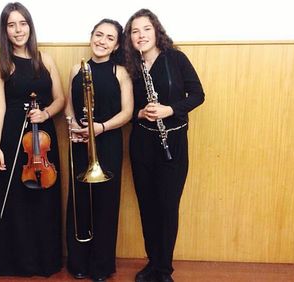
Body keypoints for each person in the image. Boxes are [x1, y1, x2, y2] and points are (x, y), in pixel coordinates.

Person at [123, 9, 205, 282]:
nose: (141, 35)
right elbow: (124, 107)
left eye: (146, 29)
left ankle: (164, 269)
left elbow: (197, 94)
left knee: (168, 207)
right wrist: (140, 113)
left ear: (157, 31)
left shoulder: (176, 59)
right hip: (143, 143)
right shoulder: (130, 66)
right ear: (130, 38)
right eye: (135, 31)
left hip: (174, 142)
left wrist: (169, 109)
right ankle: (153, 262)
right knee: (147, 206)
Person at [0, 2, 65, 277]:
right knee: (16, 201)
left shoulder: (45, 59)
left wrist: (45, 113)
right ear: (5, 31)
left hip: (42, 139)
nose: (18, 30)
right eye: (11, 25)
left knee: (43, 198)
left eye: (22, 23)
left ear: (30, 27)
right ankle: (15, 262)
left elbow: (60, 100)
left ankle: (45, 261)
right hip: (12, 137)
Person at [64, 19, 133, 282]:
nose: (102, 41)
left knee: (105, 204)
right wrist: (73, 127)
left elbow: (127, 112)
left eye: (109, 38)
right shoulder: (75, 69)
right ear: (91, 36)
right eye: (99, 35)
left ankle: (101, 266)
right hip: (80, 141)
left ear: (116, 45)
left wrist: (100, 127)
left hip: (108, 142)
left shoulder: (120, 72)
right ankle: (78, 262)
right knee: (79, 201)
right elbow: (69, 106)